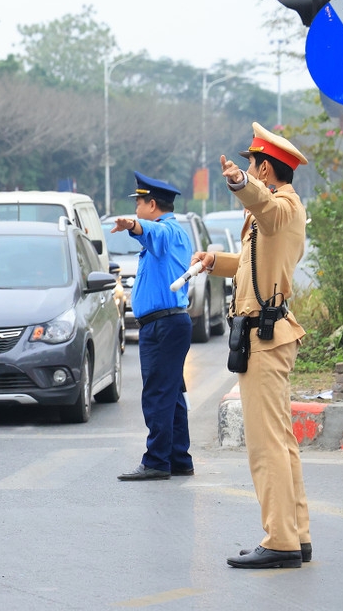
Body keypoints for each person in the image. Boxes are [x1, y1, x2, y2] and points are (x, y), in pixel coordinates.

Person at [191, 122, 311, 569]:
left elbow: (268, 209)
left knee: (266, 446)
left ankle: (279, 540)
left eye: (251, 166)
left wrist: (241, 185)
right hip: (266, 333)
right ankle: (296, 535)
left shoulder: (282, 207)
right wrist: (214, 261)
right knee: (281, 441)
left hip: (265, 336)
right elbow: (251, 263)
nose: (246, 171)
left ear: (265, 167)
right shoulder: (271, 215)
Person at [110, 172, 193, 482]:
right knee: (171, 394)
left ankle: (156, 460)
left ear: (152, 204)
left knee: (158, 393)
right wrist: (137, 227)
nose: (136, 209)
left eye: (139, 203)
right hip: (165, 325)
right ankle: (178, 458)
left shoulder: (168, 231)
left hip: (164, 326)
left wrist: (133, 226)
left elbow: (153, 234)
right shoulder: (166, 232)